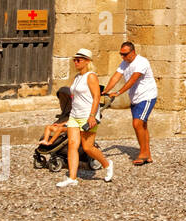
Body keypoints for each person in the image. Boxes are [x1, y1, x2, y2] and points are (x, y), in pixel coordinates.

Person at [57, 49, 112, 188]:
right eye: (74, 60)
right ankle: (72, 178)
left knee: (88, 147)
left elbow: (96, 97)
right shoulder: (76, 77)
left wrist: (93, 115)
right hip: (74, 116)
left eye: (79, 60)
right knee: (72, 145)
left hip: (87, 116)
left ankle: (107, 164)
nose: (75, 62)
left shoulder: (91, 76)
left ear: (87, 61)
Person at [103, 41, 157, 166]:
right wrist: (106, 90)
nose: (123, 57)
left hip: (147, 96)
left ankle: (143, 154)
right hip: (135, 98)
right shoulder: (124, 63)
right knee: (142, 126)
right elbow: (116, 77)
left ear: (132, 52)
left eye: (125, 54)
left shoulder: (142, 62)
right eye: (121, 54)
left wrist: (118, 92)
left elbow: (133, 79)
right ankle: (147, 154)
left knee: (137, 123)